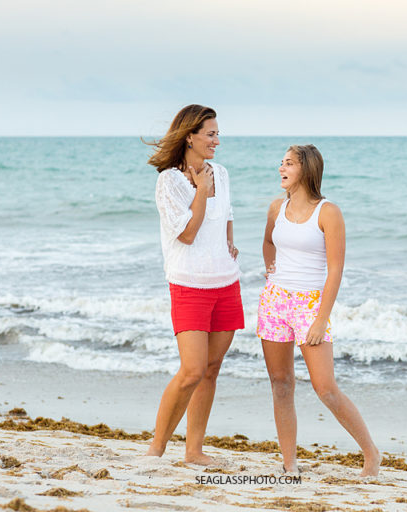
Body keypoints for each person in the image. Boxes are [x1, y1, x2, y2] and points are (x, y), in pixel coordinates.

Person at [258, 144, 380, 476]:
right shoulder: (275, 208)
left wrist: (321, 317)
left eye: (289, 164)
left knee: (324, 387)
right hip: (274, 302)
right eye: (281, 162)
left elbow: (336, 270)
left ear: (307, 169)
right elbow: (269, 242)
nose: (281, 168)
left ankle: (371, 454)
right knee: (280, 383)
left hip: (310, 305)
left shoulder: (328, 212)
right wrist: (271, 269)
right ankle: (289, 464)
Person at [145, 104, 243, 465]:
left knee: (211, 370)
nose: (217, 140)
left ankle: (193, 450)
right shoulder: (169, 181)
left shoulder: (222, 172)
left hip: (226, 283)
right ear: (190, 136)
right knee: (191, 371)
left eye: (218, 133)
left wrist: (230, 244)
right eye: (211, 134)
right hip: (188, 284)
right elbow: (187, 234)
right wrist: (201, 189)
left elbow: (227, 214)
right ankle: (156, 447)